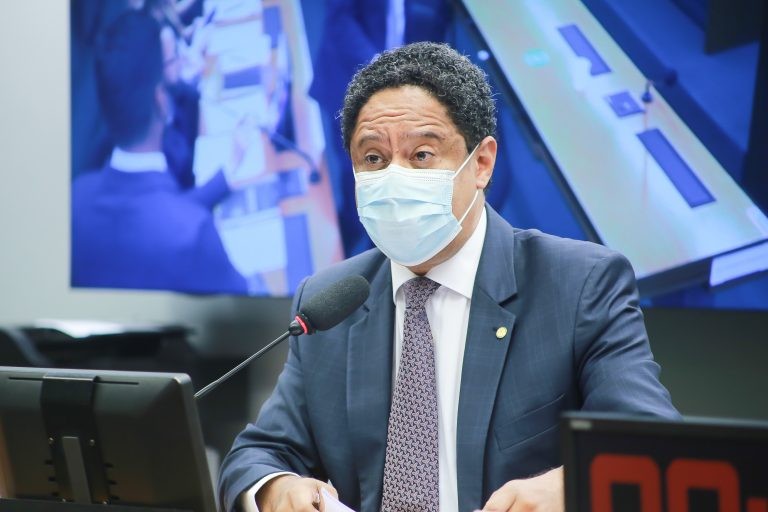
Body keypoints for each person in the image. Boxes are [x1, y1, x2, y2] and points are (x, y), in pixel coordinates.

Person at [218, 42, 679, 512]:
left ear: (481, 164)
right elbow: (258, 455)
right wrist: (278, 488)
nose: (394, 176)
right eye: (373, 158)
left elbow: (650, 442)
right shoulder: (329, 302)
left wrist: (570, 486)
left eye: (421, 155)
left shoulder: (579, 284)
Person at [71, 11, 247, 294]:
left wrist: (224, 178)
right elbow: (246, 302)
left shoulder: (74, 199)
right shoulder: (193, 234)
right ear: (161, 101)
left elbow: (150, 213)